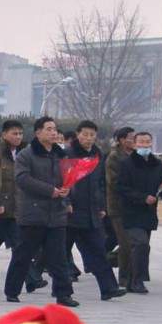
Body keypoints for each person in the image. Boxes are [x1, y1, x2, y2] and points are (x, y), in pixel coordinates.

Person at [3, 116, 77, 306]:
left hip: (57, 213)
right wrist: (49, 190)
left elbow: (70, 178)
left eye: (55, 129)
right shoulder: (26, 155)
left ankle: (64, 294)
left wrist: (67, 192)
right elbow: (22, 179)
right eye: (49, 129)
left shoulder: (61, 155)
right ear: (38, 133)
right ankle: (12, 290)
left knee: (59, 256)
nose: (54, 132)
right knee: (23, 254)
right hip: (33, 214)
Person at [65, 121, 127, 301]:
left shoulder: (96, 155)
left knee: (98, 251)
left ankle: (109, 288)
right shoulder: (68, 154)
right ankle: (62, 290)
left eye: (92, 135)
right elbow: (63, 180)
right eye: (85, 134)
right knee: (62, 254)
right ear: (77, 135)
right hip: (71, 212)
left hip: (91, 212)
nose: (89, 138)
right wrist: (66, 202)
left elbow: (100, 183)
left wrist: (101, 207)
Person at [115, 131, 162, 294]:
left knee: (140, 248)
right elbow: (121, 187)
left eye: (147, 142)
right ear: (135, 144)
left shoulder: (156, 164)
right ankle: (138, 281)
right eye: (141, 142)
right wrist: (142, 197)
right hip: (131, 212)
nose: (145, 145)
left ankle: (131, 280)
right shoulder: (127, 164)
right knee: (141, 244)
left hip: (149, 213)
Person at [0, 120, 27, 290]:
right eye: (14, 133)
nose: (18, 137)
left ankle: (31, 280)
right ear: (4, 135)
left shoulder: (22, 153)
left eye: (20, 133)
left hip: (15, 209)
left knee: (20, 246)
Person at [105, 127, 135, 287]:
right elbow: (114, 182)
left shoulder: (135, 156)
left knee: (136, 243)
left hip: (135, 207)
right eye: (132, 137)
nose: (135, 140)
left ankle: (132, 274)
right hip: (118, 206)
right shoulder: (114, 157)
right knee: (125, 243)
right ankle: (124, 278)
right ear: (122, 140)